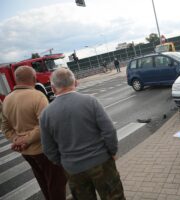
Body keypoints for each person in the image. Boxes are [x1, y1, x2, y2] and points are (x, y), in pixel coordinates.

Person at [40, 68, 125, 200]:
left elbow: (48, 148)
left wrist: (63, 162)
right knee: (114, 196)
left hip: (73, 170)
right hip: (101, 162)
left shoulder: (46, 114)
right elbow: (109, 130)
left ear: (52, 88)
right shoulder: (90, 101)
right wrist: (112, 151)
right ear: (76, 82)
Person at [1, 66, 67, 200]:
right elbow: (45, 126)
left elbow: (5, 127)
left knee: (42, 180)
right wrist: (26, 140)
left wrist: (16, 140)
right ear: (33, 78)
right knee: (57, 183)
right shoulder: (37, 96)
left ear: (17, 79)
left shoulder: (7, 99)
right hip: (44, 150)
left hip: (26, 152)